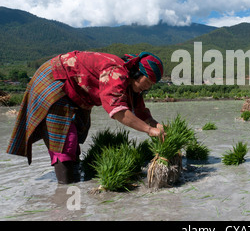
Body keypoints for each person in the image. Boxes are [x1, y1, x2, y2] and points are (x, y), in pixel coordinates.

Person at [6, 50, 165, 184]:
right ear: (137, 73)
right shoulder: (117, 72)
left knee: (75, 137)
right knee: (64, 139)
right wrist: (148, 130)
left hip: (74, 92)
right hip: (55, 80)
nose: (148, 86)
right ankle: (65, 189)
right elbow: (117, 110)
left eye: (152, 84)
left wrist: (156, 125)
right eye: (148, 81)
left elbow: (140, 110)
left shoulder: (132, 84)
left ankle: (74, 177)